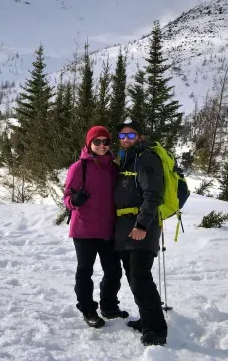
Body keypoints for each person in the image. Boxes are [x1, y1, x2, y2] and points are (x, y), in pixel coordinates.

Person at [63, 125, 129, 328]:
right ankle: (88, 310)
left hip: (108, 228)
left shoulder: (114, 168)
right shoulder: (79, 167)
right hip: (84, 230)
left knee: (113, 271)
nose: (101, 145)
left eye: (106, 142)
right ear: (89, 144)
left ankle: (109, 306)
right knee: (85, 271)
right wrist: (75, 200)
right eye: (97, 142)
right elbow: (66, 199)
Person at [113, 120, 169, 346]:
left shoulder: (146, 158)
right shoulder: (129, 158)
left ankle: (156, 329)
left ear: (140, 136)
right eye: (123, 136)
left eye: (131, 135)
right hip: (126, 228)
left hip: (141, 229)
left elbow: (153, 194)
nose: (126, 139)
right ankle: (147, 320)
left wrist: (143, 225)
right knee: (133, 277)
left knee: (140, 278)